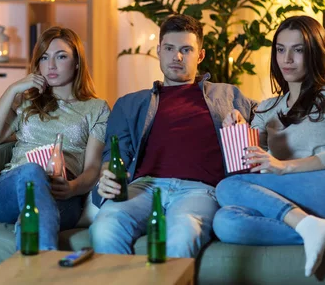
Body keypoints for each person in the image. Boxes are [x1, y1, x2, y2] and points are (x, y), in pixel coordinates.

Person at [213, 15, 325, 277]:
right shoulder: (267, 107)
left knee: (226, 187)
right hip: (294, 200)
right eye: (280, 49)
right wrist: (236, 128)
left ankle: (320, 227)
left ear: (314, 53)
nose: (287, 59)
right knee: (225, 222)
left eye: (297, 50)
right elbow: (249, 166)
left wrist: (284, 167)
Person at [89, 14, 256, 258]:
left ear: (200, 56)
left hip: (199, 191)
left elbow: (277, 115)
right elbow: (114, 155)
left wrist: (242, 128)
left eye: (186, 50)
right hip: (143, 187)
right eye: (169, 48)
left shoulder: (230, 96)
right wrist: (107, 177)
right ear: (159, 50)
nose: (177, 57)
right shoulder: (130, 104)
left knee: (183, 232)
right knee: (105, 226)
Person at [0, 26, 110, 251]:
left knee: (36, 210)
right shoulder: (26, 103)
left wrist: (73, 188)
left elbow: (92, 169)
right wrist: (12, 90)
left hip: (62, 195)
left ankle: (33, 262)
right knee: (32, 171)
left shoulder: (96, 109)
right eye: (44, 57)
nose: (51, 65)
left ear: (77, 62)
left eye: (61, 57)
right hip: (10, 191)